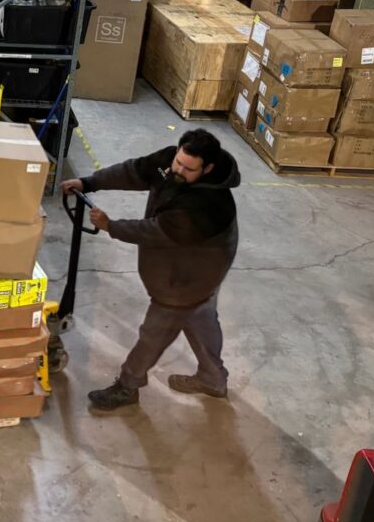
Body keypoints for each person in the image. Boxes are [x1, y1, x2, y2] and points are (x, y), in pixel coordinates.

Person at [61, 128, 241, 412]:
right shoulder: (170, 160)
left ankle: (128, 385)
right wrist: (89, 183)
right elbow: (134, 171)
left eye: (189, 169)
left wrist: (111, 226)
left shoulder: (205, 205)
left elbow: (154, 231)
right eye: (178, 162)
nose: (178, 170)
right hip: (198, 254)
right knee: (199, 315)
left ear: (208, 168)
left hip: (198, 268)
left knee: (157, 327)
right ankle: (213, 379)